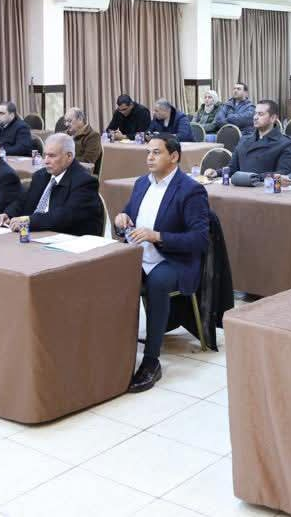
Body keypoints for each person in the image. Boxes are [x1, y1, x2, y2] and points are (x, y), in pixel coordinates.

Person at [114, 135, 211, 392]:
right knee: (110, 273)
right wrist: (121, 219)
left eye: (156, 152)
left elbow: (200, 239)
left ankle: (151, 361)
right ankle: (116, 349)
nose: (149, 157)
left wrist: (158, 236)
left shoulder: (190, 190)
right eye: (148, 152)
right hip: (140, 255)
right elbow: (128, 216)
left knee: (157, 283)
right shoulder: (141, 183)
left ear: (174, 156)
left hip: (175, 260)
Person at [0, 133, 103, 237]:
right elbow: (23, 200)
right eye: (45, 155)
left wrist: (29, 221)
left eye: (52, 156)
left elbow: (65, 216)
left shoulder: (85, 182)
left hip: (67, 238)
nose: (46, 161)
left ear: (69, 156)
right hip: (34, 234)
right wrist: (8, 214)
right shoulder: (40, 176)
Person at [206, 100, 291, 178]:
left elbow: (283, 174)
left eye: (260, 114)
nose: (255, 117)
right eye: (255, 113)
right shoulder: (244, 140)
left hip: (264, 190)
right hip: (240, 188)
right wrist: (217, 173)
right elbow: (233, 168)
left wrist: (253, 178)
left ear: (273, 118)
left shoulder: (285, 144)